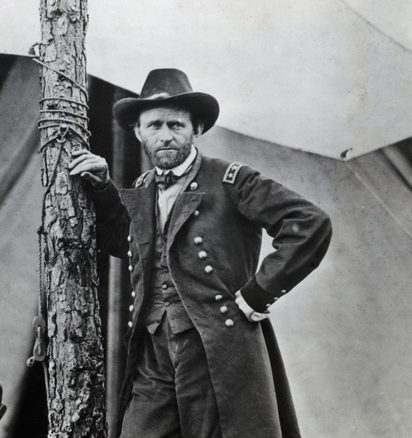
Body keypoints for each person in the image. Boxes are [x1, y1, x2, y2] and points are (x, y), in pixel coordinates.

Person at [68, 68, 332, 438]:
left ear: (197, 130)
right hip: (154, 351)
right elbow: (123, 242)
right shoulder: (143, 187)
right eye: (155, 125)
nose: (165, 136)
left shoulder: (232, 180)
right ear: (138, 132)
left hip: (215, 351)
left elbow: (309, 223)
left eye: (176, 125)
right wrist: (102, 189)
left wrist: (256, 294)